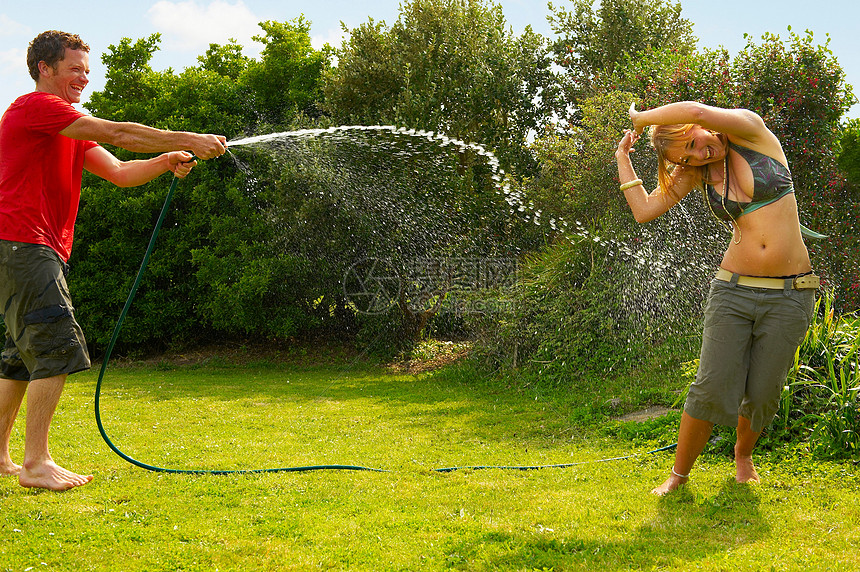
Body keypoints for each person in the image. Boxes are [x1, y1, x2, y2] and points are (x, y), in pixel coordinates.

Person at [0, 30, 227, 491]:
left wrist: (164, 160)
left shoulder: (63, 128)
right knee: (56, 346)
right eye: (74, 69)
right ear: (44, 69)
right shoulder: (36, 108)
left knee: (20, 359)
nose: (83, 77)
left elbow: (121, 172)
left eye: (86, 69)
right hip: (24, 242)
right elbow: (118, 133)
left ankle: (1, 456)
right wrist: (191, 137)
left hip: (27, 248)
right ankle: (36, 462)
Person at [614, 101, 817, 495]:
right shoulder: (698, 172)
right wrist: (623, 158)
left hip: (791, 294)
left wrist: (641, 118)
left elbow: (701, 111)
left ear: (694, 126)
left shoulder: (751, 131)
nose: (696, 153)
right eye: (685, 156)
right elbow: (644, 210)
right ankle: (679, 475)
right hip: (733, 291)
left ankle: (743, 456)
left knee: (763, 392)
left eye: (692, 141)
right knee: (710, 386)